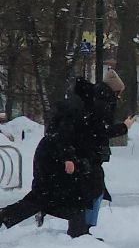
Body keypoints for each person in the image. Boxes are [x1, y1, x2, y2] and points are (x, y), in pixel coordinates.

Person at [1, 79, 110, 238]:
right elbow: (63, 135)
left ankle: (79, 232)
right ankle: (78, 233)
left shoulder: (77, 107)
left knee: (51, 196)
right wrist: (67, 157)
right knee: (54, 197)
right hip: (55, 158)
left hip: (52, 157)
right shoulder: (77, 110)